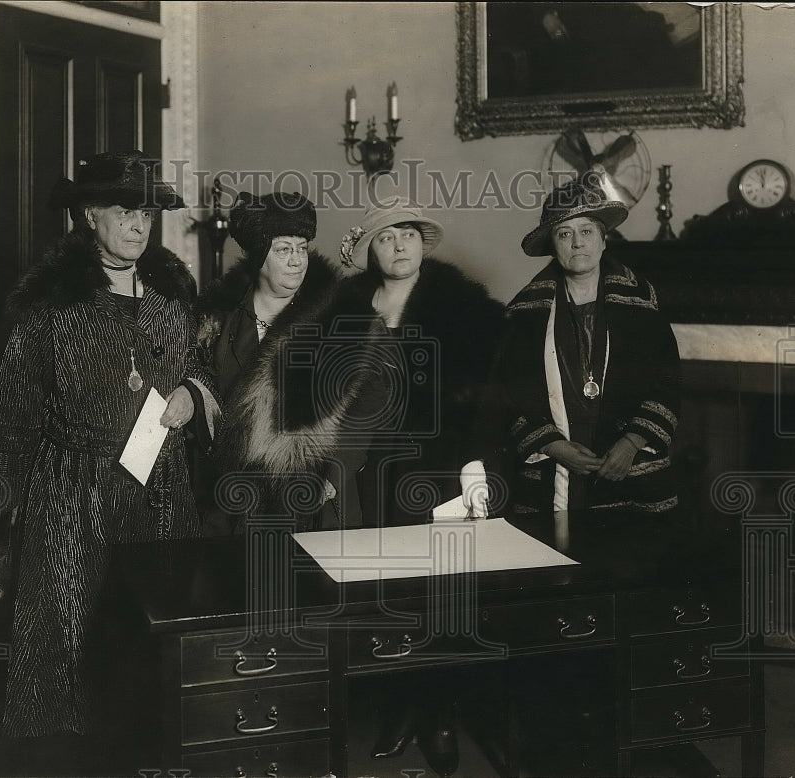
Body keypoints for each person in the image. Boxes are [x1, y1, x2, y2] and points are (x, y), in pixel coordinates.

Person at [221, 199, 504, 776]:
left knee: (442, 593)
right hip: (364, 474)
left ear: (424, 244)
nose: (398, 245)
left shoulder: (464, 308)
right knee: (384, 596)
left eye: (408, 234)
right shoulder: (341, 304)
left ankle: (438, 714)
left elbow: (487, 400)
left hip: (435, 468)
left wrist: (471, 469)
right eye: (384, 237)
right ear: (368, 250)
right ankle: (398, 706)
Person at [0, 151, 208, 769]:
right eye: (125, 211)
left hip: (158, 490)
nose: (140, 225)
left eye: (148, 213)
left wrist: (192, 393)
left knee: (153, 629)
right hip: (69, 494)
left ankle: (149, 755)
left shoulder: (170, 301)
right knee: (67, 630)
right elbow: (12, 421)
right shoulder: (51, 310)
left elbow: (201, 372)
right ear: (88, 216)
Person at [463, 170, 680, 518]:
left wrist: (631, 443)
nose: (577, 242)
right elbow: (506, 394)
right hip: (553, 471)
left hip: (630, 468)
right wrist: (553, 445)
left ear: (604, 239)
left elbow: (667, 381)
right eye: (565, 233)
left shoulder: (641, 303)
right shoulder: (523, 313)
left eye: (586, 231)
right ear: (553, 245)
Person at [193, 191, 339, 533]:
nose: (297, 260)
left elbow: (360, 408)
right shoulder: (218, 321)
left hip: (307, 494)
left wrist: (332, 474)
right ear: (259, 255)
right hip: (231, 499)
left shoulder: (332, 319)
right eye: (284, 249)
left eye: (302, 248)